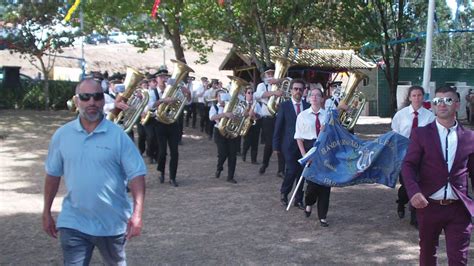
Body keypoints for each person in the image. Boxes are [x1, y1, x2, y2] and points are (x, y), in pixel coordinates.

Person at [42, 79, 146, 265]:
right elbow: (53, 175)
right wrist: (46, 211)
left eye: (97, 97)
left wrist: (137, 214)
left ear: (102, 101)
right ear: (76, 101)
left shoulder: (119, 136)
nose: (92, 102)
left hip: (112, 223)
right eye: (85, 97)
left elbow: (136, 174)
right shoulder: (62, 136)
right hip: (73, 222)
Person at [402, 86, 474, 266]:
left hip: (459, 208)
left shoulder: (470, 137)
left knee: (459, 259)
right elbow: (408, 165)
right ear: (433, 105)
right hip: (429, 206)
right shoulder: (420, 134)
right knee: (427, 254)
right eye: (437, 101)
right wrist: (413, 192)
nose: (442, 104)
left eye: (448, 100)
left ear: (457, 104)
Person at [392, 86, 435, 226]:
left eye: (419, 95)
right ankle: (401, 202)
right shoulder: (400, 115)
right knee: (406, 185)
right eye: (414, 95)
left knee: (419, 184)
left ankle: (415, 217)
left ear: (423, 97)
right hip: (404, 156)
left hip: (422, 156)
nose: (417, 98)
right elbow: (395, 135)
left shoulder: (430, 116)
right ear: (409, 98)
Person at [294, 86, 330, 227]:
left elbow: (334, 136)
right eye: (312, 95)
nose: (314, 97)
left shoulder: (327, 115)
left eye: (317, 95)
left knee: (326, 184)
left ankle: (323, 216)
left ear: (322, 99)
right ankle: (309, 202)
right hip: (309, 149)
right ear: (308, 98)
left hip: (325, 150)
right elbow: (299, 138)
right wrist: (304, 156)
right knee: (312, 185)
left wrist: (326, 130)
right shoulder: (302, 116)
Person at [273, 79, 310, 209]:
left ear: (304, 91)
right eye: (295, 89)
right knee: (291, 170)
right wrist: (276, 146)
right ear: (291, 90)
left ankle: (298, 199)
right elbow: (278, 127)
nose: (298, 91)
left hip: (304, 146)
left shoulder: (307, 106)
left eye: (300, 89)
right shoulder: (284, 106)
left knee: (302, 172)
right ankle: (284, 193)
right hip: (288, 145)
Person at [154, 68, 191, 187]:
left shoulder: (177, 91)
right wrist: (163, 100)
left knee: (175, 152)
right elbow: (150, 106)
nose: (164, 79)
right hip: (159, 123)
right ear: (156, 79)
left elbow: (187, 102)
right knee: (162, 152)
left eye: (166, 77)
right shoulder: (153, 92)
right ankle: (161, 172)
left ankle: (172, 177)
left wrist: (187, 94)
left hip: (173, 123)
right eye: (161, 77)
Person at [254, 66, 285, 177]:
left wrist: (279, 81)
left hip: (279, 117)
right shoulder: (262, 85)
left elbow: (290, 81)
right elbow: (257, 95)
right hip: (268, 118)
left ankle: (281, 170)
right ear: (265, 76)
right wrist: (274, 93)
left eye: (272, 73)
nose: (271, 75)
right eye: (268, 74)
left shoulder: (280, 83)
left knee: (281, 143)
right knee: (269, 144)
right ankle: (264, 164)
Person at [209, 90, 239, 184]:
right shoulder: (214, 107)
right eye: (219, 96)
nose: (221, 98)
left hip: (230, 131)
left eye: (223, 95)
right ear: (217, 97)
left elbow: (238, 117)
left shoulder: (231, 107)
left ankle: (230, 176)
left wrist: (234, 116)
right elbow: (212, 117)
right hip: (219, 132)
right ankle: (219, 167)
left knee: (233, 154)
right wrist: (225, 114)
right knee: (223, 153)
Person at [242, 86, 262, 164]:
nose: (250, 95)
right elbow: (239, 114)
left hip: (255, 124)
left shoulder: (256, 104)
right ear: (245, 94)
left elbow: (261, 115)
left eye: (251, 93)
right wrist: (247, 113)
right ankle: (244, 153)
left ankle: (254, 159)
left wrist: (255, 114)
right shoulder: (242, 103)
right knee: (247, 142)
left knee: (255, 142)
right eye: (248, 93)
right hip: (246, 124)